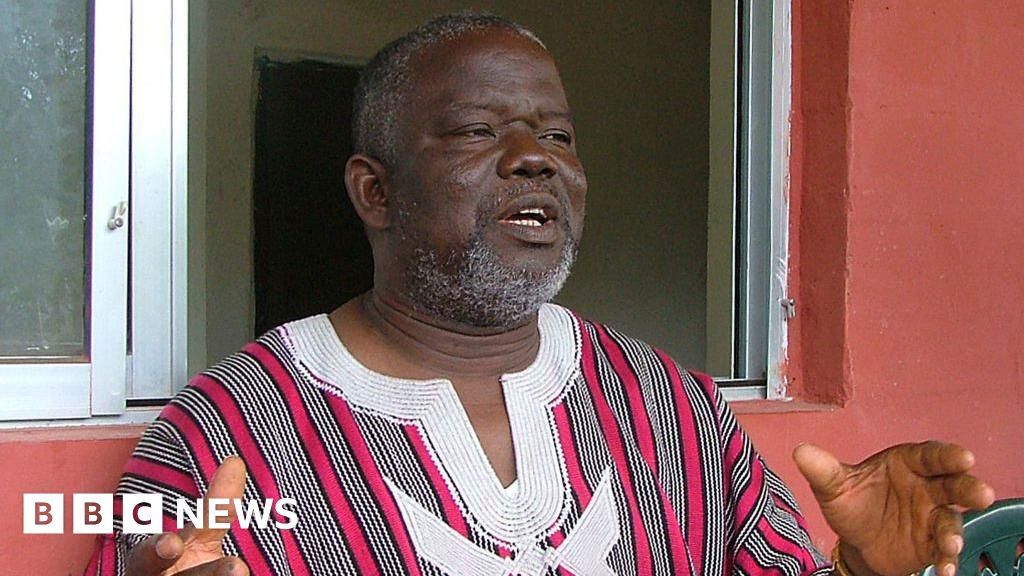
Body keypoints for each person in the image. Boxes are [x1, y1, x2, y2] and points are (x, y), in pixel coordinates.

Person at [85, 12, 994, 576]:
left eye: (557, 135)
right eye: (477, 131)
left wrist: (864, 573)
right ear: (376, 191)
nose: (535, 158)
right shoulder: (228, 430)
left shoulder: (671, 407)